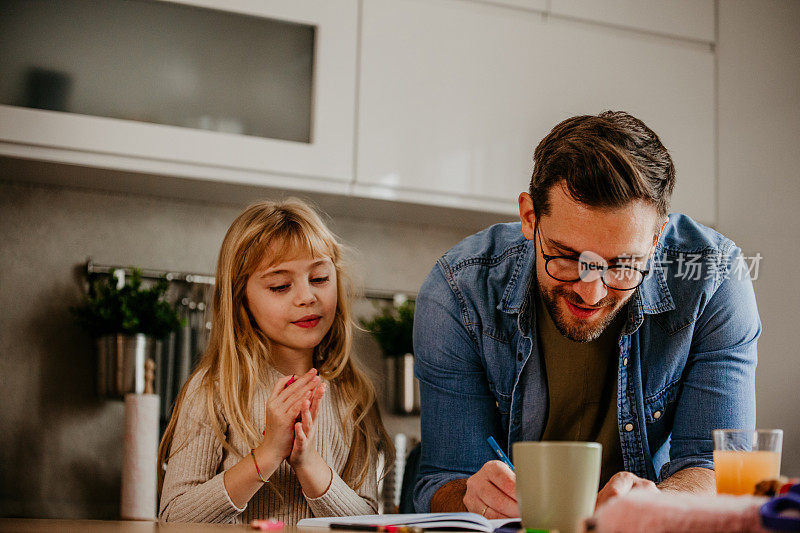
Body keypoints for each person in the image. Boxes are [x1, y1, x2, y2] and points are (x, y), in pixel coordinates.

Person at [412, 111, 760, 516]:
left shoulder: (716, 278)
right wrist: (470, 495)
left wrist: (658, 504)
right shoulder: (458, 292)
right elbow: (443, 478)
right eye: (567, 256)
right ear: (529, 217)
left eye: (622, 264)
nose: (591, 292)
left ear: (656, 238)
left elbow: (718, 468)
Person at [158, 199, 393, 524]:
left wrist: (307, 462)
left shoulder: (353, 395)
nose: (307, 297)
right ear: (242, 298)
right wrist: (268, 453)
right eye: (281, 285)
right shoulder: (215, 389)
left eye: (320, 278)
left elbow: (367, 519)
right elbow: (173, 518)